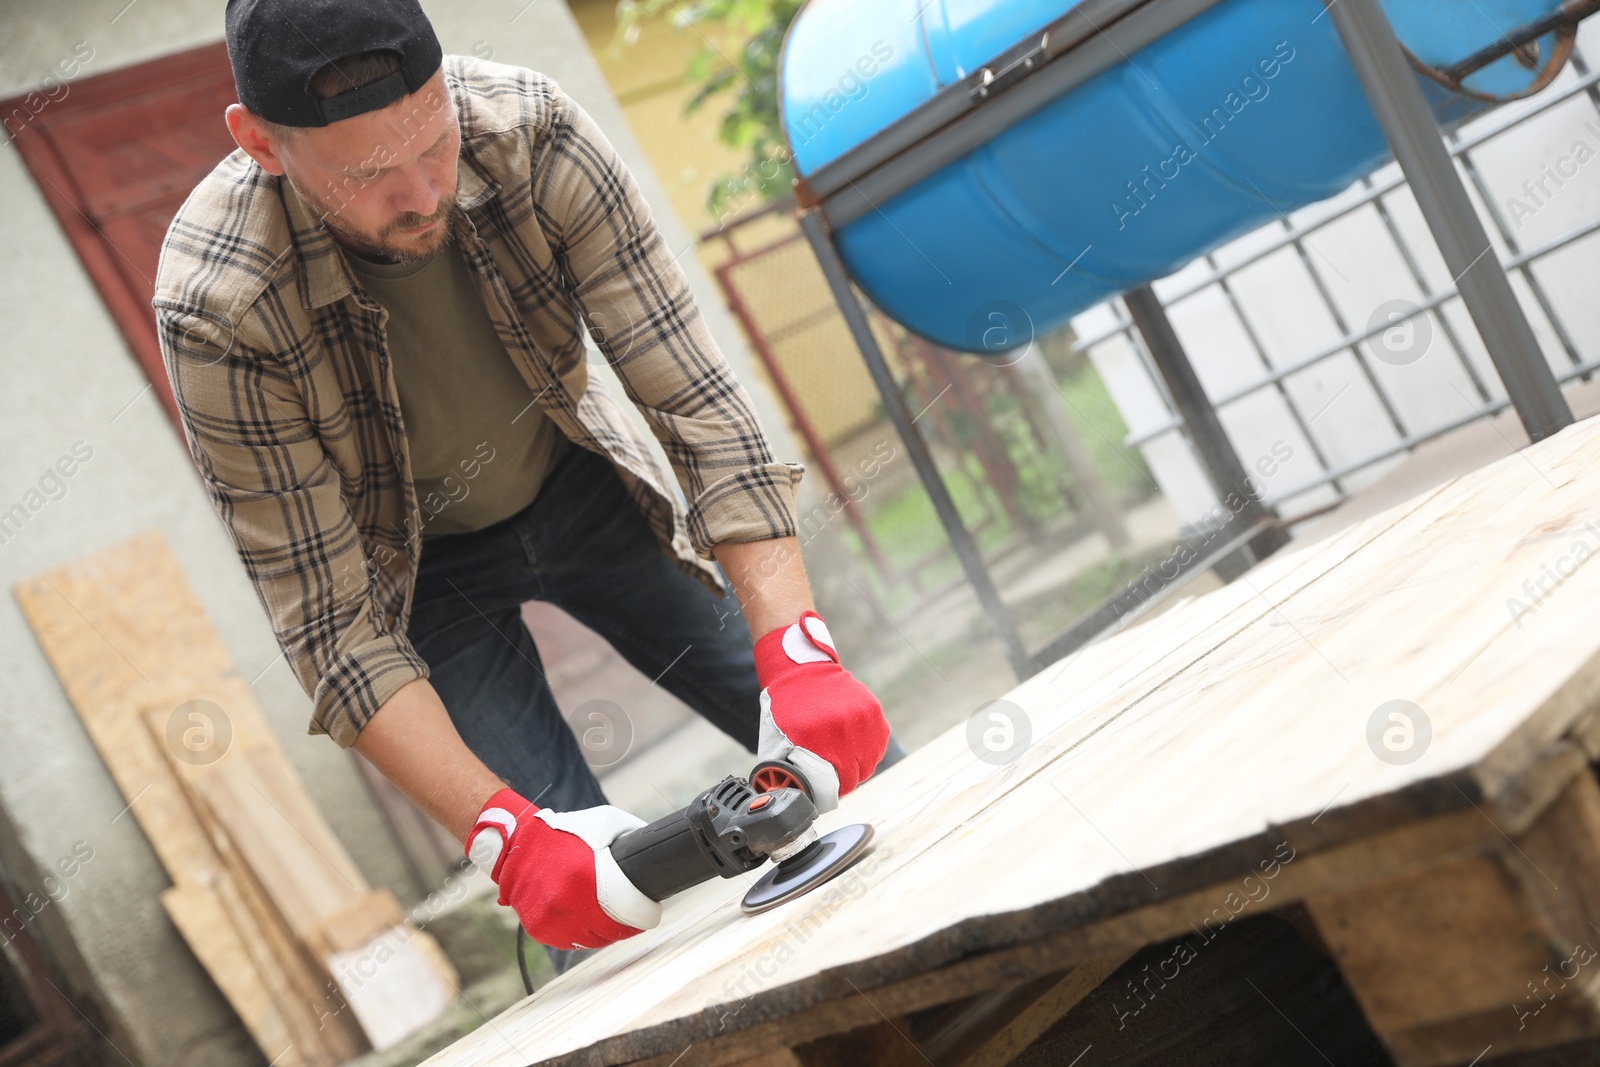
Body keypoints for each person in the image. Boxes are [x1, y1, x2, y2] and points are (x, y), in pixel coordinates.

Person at [153, 0, 900, 973]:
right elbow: (334, 630)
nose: (425, 193)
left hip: (579, 482)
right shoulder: (215, 304)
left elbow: (699, 405)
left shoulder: (534, 133)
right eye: (371, 175)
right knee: (587, 908)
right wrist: (503, 832)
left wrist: (799, 649)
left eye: (435, 141)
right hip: (421, 577)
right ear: (261, 143)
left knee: (852, 761)